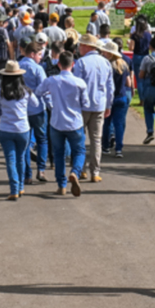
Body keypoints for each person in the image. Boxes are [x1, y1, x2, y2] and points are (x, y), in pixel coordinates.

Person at [35, 51, 88, 197]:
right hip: (75, 123)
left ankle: (61, 185)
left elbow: (38, 92)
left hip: (57, 122)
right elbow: (86, 103)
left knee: (58, 154)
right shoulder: (80, 83)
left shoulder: (51, 80)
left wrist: (50, 99)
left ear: (58, 64)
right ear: (73, 64)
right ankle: (75, 172)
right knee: (79, 151)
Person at [0, 60, 40, 200]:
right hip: (23, 130)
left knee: (10, 160)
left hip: (5, 130)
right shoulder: (26, 92)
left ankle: (14, 189)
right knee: (20, 159)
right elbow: (36, 105)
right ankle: (20, 188)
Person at [73, 34, 114, 183]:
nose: (79, 47)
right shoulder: (105, 63)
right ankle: (95, 172)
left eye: (81, 45)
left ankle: (81, 169)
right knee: (96, 139)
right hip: (99, 105)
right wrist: (109, 105)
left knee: (80, 137)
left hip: (82, 106)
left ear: (88, 47)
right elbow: (110, 87)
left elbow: (76, 85)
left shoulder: (81, 63)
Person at [18, 42, 49, 184]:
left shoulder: (17, 66)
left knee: (24, 142)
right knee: (42, 139)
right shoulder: (38, 69)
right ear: (32, 54)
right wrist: (51, 106)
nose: (41, 58)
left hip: (21, 110)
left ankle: (27, 174)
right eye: (39, 55)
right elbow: (45, 89)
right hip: (37, 109)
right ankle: (41, 170)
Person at [101, 41, 132, 158]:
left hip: (109, 97)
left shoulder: (106, 65)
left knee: (107, 123)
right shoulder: (124, 64)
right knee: (119, 124)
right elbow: (129, 83)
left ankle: (106, 147)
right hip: (121, 96)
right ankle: (119, 149)